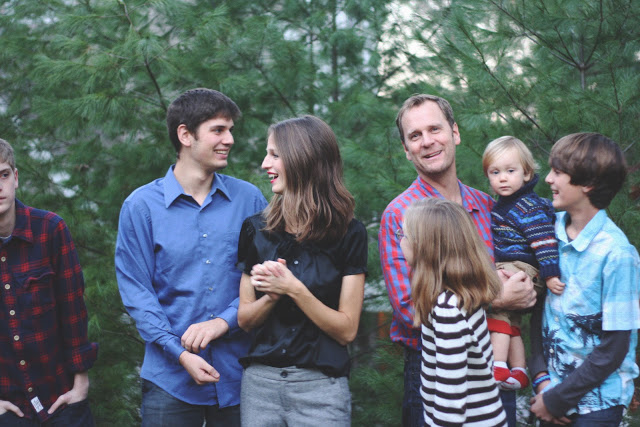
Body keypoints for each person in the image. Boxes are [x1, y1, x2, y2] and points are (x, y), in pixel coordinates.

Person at [378, 94, 537, 427]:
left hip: (493, 360)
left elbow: (516, 271)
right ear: (407, 150)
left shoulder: (487, 206)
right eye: (415, 136)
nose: (427, 142)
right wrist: (496, 298)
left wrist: (525, 285)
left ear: (455, 133)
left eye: (435, 129)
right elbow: (409, 308)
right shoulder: (400, 216)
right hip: (432, 369)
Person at [115, 88, 267, 426]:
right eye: (218, 130)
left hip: (241, 376)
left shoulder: (250, 199)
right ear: (185, 134)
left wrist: (223, 322)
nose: (229, 139)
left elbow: (265, 278)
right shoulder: (141, 207)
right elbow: (137, 293)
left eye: (230, 130)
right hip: (169, 380)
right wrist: (179, 353)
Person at [236, 115, 367, 426]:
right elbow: (244, 320)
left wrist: (294, 289)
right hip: (260, 389)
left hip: (320, 390)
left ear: (303, 159)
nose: (265, 163)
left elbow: (347, 330)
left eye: (275, 155)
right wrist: (271, 296)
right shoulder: (255, 229)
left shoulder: (350, 234)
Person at [529, 133, 639, 426]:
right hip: (549, 393)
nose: (548, 179)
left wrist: (558, 399)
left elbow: (615, 346)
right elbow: (538, 314)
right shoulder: (547, 236)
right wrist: (542, 382)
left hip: (597, 406)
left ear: (587, 184)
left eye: (558, 172)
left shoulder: (617, 254)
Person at [0, 138, 98, 426]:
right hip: (8, 408)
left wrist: (80, 384)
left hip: (62, 398)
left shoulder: (50, 230)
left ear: (15, 178)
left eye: (3, 175)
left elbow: (74, 312)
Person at [402, 198, 506, 426]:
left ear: (424, 248)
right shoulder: (460, 296)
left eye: (404, 235)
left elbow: (451, 400)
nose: (401, 240)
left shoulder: (447, 310)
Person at [482, 136, 564, 390]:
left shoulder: (527, 206)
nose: (502, 178)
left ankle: (496, 366)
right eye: (495, 172)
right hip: (515, 266)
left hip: (525, 268)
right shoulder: (504, 204)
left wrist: (550, 275)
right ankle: (518, 370)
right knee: (512, 321)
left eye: (510, 171)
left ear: (527, 174)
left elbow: (544, 241)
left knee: (496, 308)